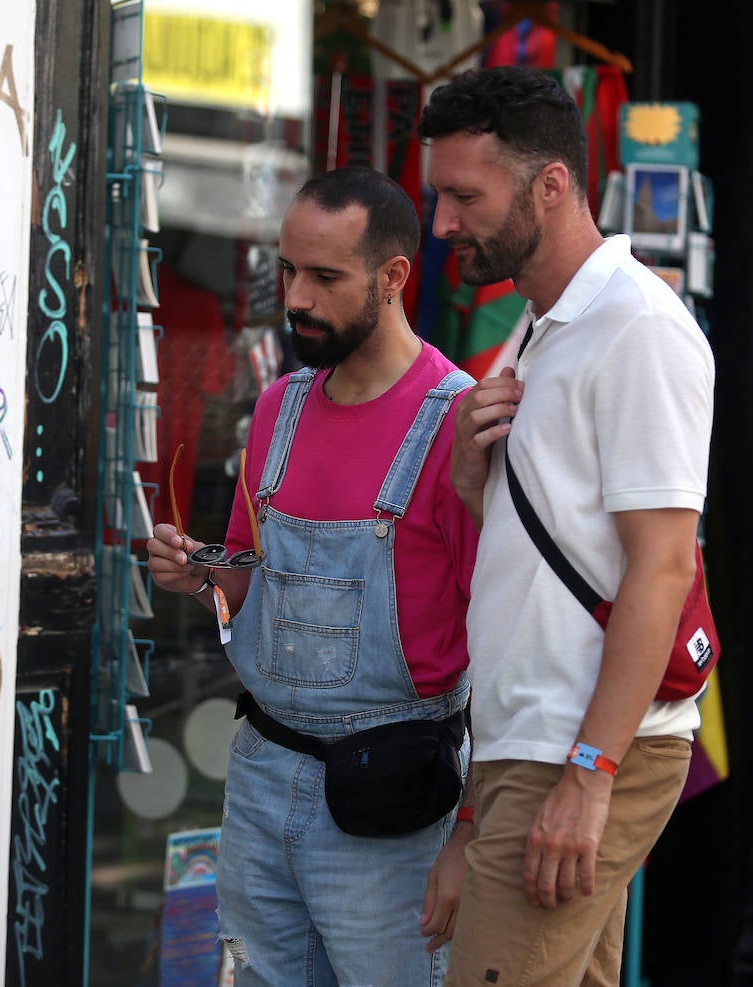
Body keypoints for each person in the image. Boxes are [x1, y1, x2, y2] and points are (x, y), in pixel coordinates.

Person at [418, 66, 716, 986]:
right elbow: (537, 570)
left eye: (466, 196)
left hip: (581, 747)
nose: (442, 225)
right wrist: (475, 482)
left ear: (551, 183)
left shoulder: (638, 329)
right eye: (438, 196)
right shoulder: (537, 330)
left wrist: (590, 773)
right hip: (533, 742)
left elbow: (662, 568)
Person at [146, 165, 478, 986]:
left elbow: (502, 641)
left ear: (395, 276)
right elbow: (249, 572)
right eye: (289, 269)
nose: (296, 297)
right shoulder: (277, 406)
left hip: (394, 795)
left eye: (325, 277)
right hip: (260, 776)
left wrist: (473, 829)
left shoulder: (461, 423)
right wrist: (199, 572)